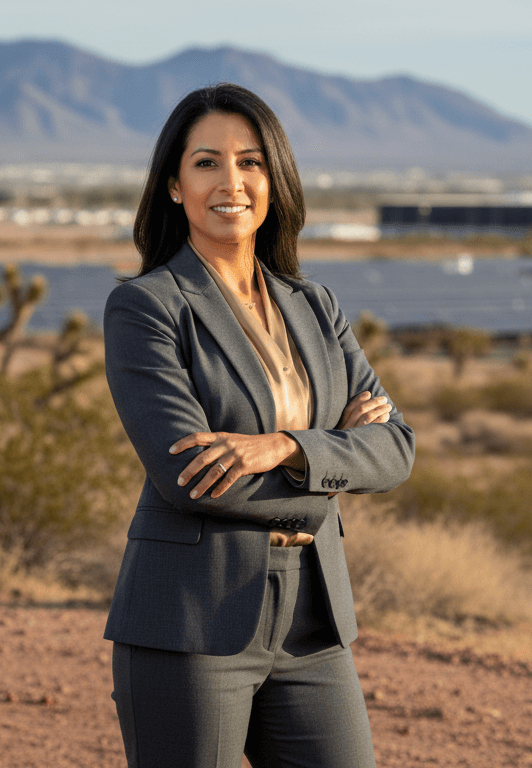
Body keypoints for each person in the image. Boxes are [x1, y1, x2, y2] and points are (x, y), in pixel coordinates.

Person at [101, 82, 414, 768]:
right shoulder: (147, 308)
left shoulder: (316, 305)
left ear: (275, 178)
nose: (231, 181)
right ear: (175, 186)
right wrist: (334, 470)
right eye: (207, 162)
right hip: (191, 619)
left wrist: (285, 448)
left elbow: (396, 449)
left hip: (313, 619)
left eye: (251, 162)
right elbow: (192, 479)